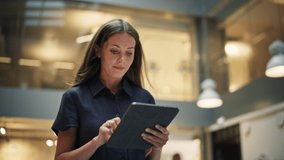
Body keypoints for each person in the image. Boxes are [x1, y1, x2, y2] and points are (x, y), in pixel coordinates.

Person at [51, 19, 169, 160]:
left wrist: (158, 146)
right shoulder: (75, 97)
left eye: (129, 53)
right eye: (114, 51)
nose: (122, 60)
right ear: (98, 51)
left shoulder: (145, 98)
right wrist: (97, 141)